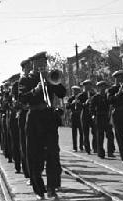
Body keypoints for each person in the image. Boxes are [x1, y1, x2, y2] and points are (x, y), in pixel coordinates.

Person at [21, 51, 66, 200]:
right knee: (35, 157)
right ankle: (39, 190)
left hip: (49, 119)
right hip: (34, 119)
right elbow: (22, 98)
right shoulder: (26, 80)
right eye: (38, 63)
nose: (42, 66)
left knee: (53, 155)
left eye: (44, 63)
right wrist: (37, 89)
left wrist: (54, 81)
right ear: (33, 64)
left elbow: (62, 93)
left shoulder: (50, 77)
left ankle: (52, 187)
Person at [90, 81, 115, 159]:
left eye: (104, 87)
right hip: (99, 117)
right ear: (98, 88)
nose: (103, 88)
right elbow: (91, 107)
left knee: (110, 135)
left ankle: (110, 151)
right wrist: (93, 115)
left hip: (107, 117)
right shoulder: (95, 97)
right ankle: (101, 152)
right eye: (101, 87)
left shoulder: (108, 96)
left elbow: (111, 105)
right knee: (100, 136)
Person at [79, 80, 96, 154]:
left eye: (89, 85)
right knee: (85, 133)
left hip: (92, 113)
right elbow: (79, 106)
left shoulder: (93, 94)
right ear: (84, 86)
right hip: (84, 114)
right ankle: (87, 149)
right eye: (86, 85)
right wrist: (85, 103)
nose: (88, 87)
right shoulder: (81, 95)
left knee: (95, 131)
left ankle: (95, 148)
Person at [66, 85, 83, 152]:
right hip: (73, 115)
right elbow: (67, 107)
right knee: (74, 132)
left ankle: (81, 146)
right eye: (74, 91)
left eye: (76, 91)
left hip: (80, 115)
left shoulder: (81, 97)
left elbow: (83, 105)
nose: (74, 92)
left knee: (81, 132)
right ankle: (74, 147)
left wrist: (79, 103)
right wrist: (71, 104)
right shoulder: (71, 98)